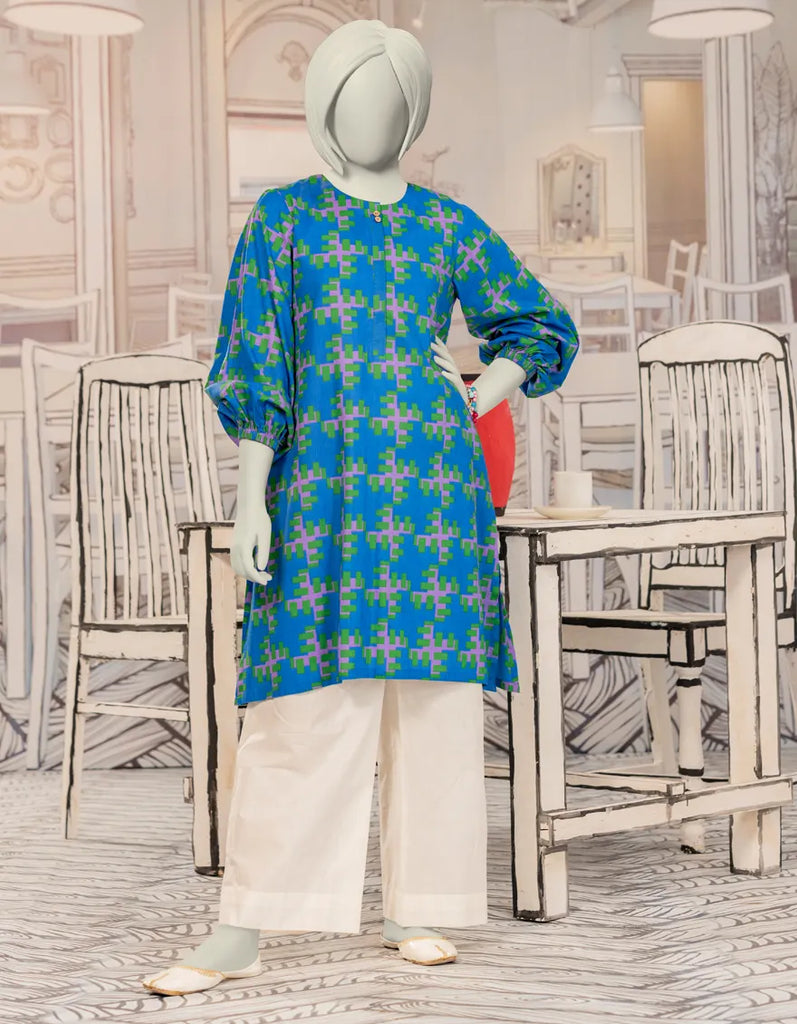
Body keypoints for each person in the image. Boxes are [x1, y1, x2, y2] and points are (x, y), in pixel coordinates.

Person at [142, 18, 578, 997]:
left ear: (411, 114)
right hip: (319, 488)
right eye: (352, 100)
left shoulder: (446, 224)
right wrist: (250, 496)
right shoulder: (284, 220)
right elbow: (256, 361)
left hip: (433, 490)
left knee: (432, 705)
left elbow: (536, 321)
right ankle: (245, 923)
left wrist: (483, 387)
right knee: (301, 709)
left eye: (389, 102)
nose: (371, 119)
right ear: (322, 108)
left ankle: (417, 902)